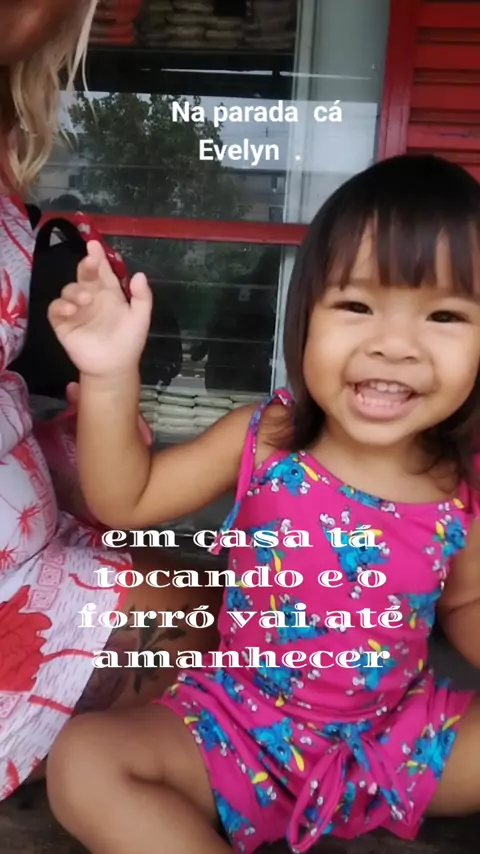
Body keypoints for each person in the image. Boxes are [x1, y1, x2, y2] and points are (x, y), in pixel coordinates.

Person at [46, 153, 480, 853]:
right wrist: (108, 374)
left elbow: (466, 603)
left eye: (445, 315)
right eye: (357, 305)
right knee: (83, 760)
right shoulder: (266, 438)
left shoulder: (461, 485)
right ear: (303, 316)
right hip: (236, 729)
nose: (395, 346)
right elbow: (126, 498)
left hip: (397, 744)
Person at [0, 0, 220, 801]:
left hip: (37, 548)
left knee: (220, 605)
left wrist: (86, 425)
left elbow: (118, 491)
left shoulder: (9, 132)